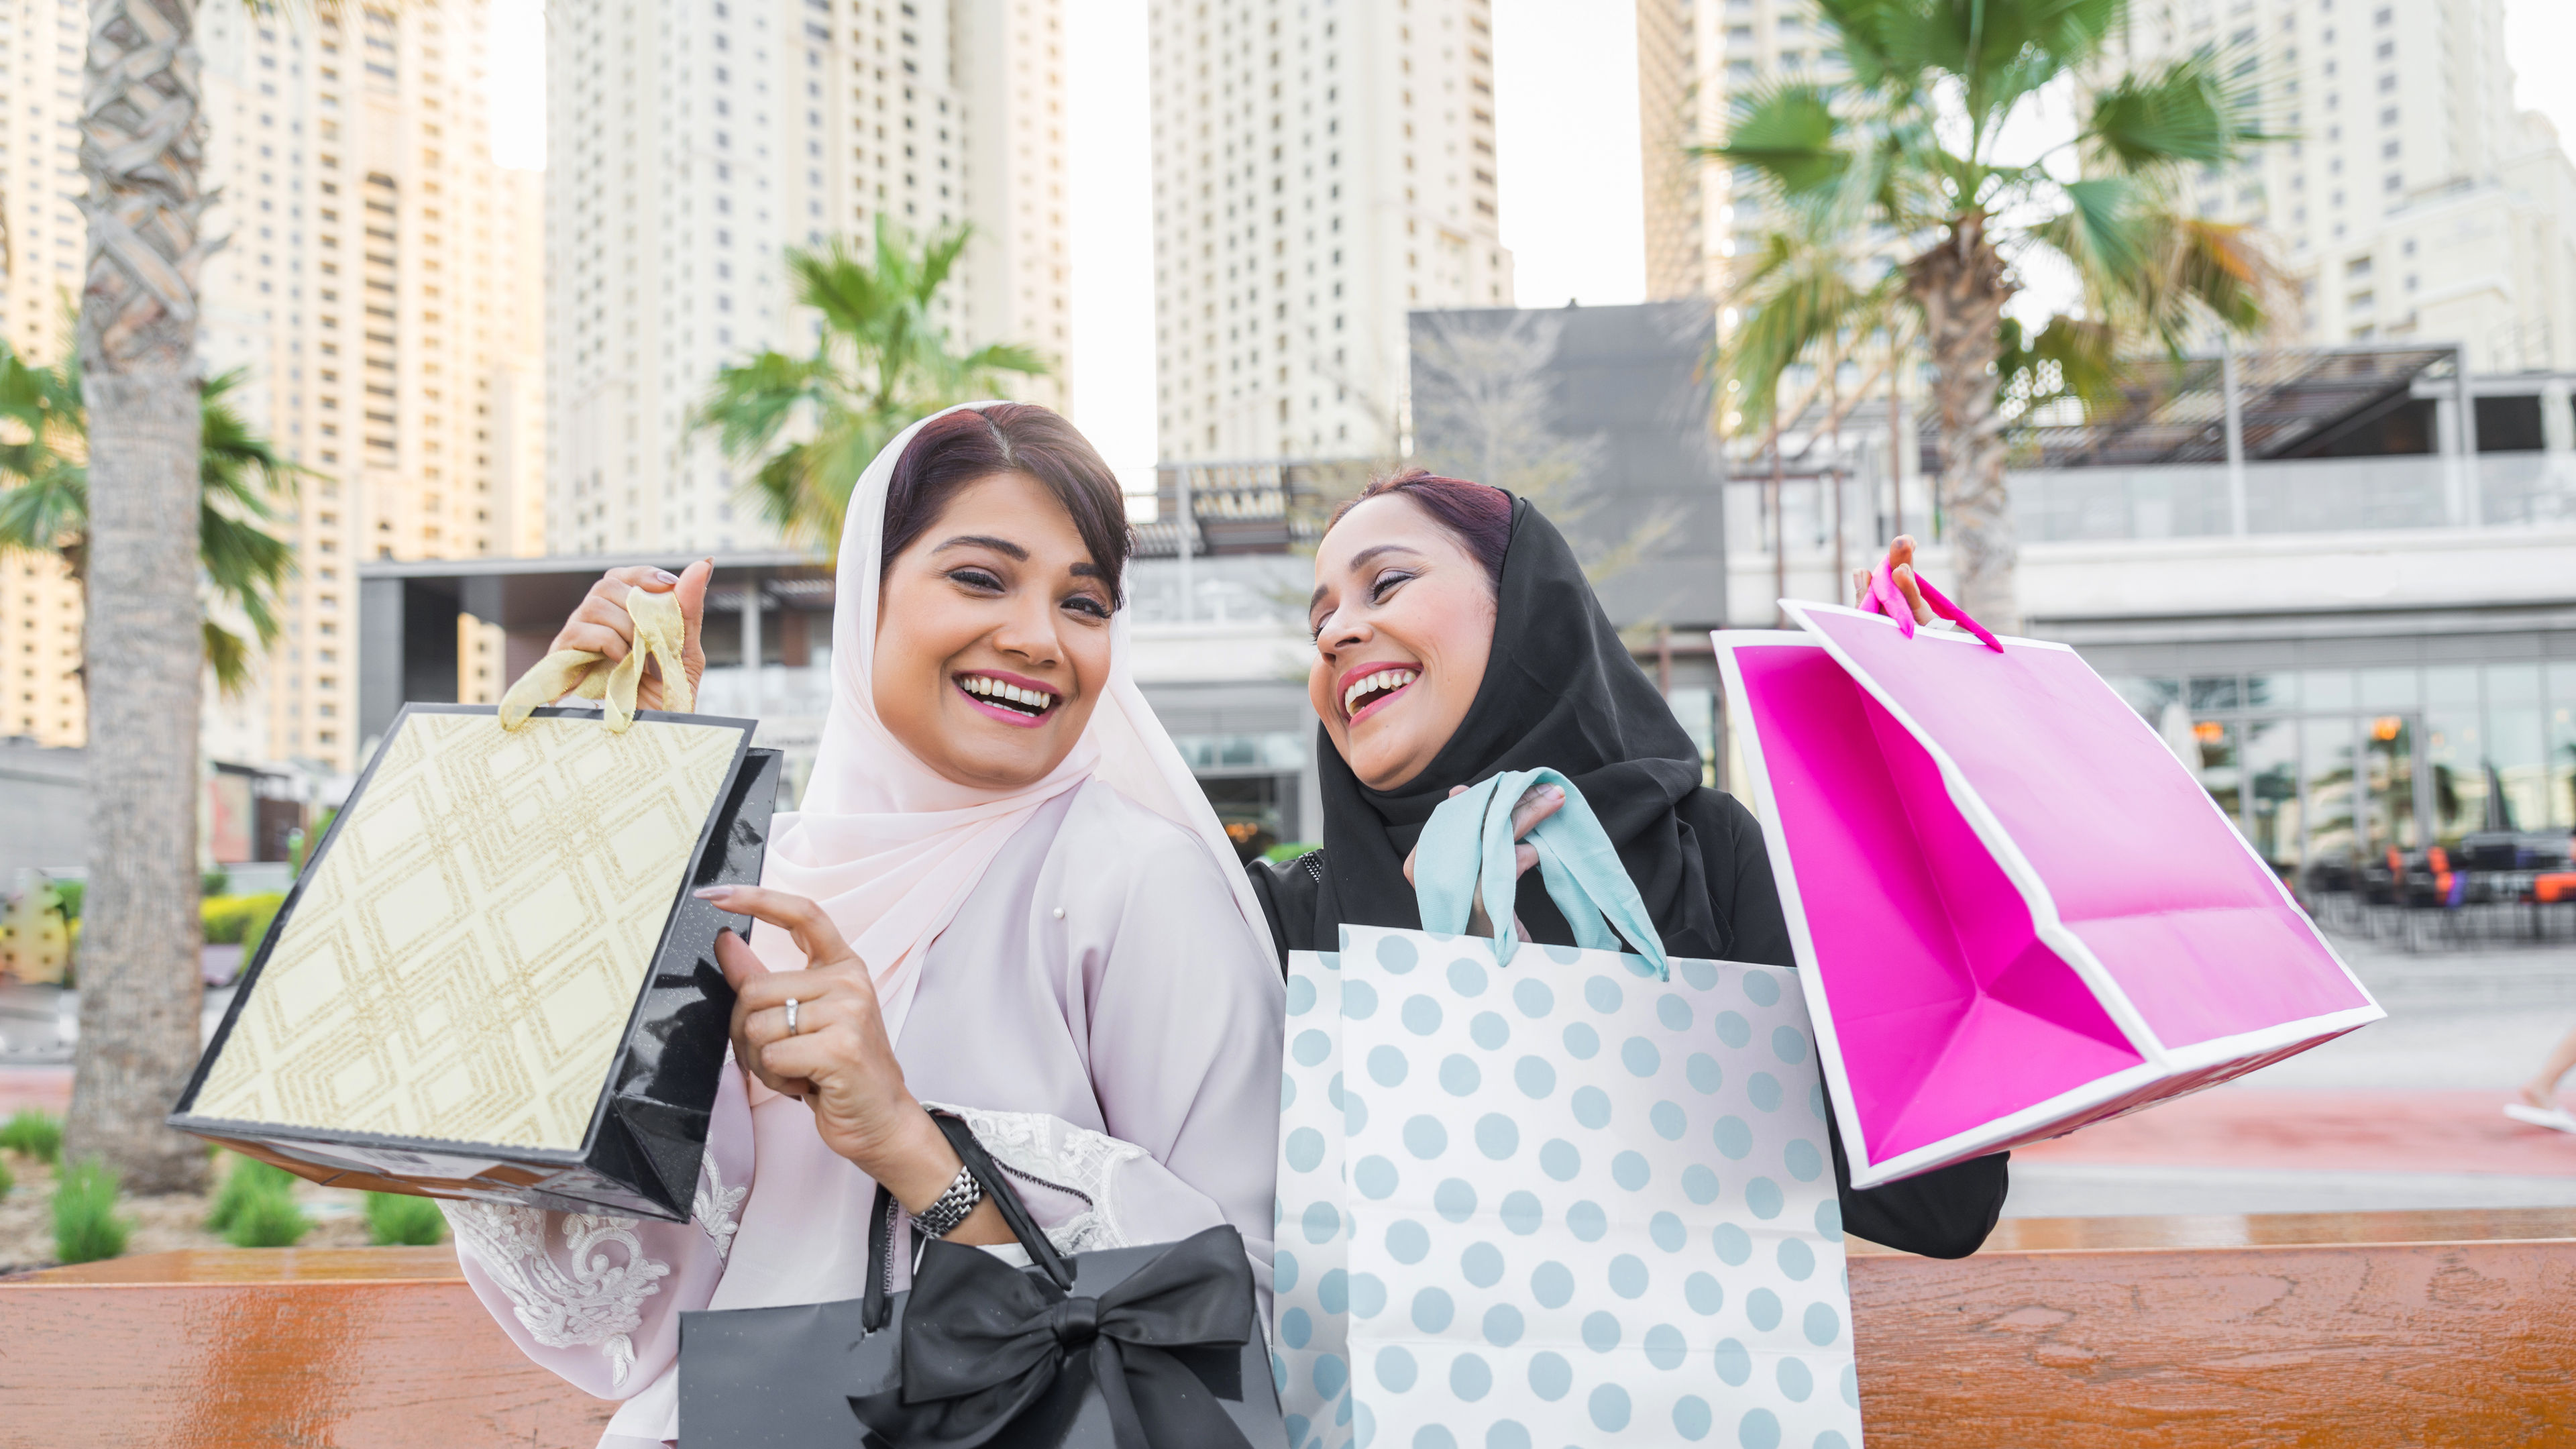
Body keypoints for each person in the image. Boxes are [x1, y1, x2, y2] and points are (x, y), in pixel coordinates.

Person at [441, 403, 1284, 1447]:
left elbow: (1241, 1306)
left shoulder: (1135, 885)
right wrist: (619, 810)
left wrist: (910, 1144)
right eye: (981, 578)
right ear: (862, 601)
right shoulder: (758, 884)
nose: (1037, 636)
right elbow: (630, 1307)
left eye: (1086, 601)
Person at [1247, 470, 2010, 1258]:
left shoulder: (1708, 856)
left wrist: (1886, 801)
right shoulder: (1279, 921)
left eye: (1387, 583)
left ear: (1523, 605)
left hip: (1699, 1378)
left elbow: (1939, 1203)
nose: (1337, 634)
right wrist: (1437, 958)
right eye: (1321, 620)